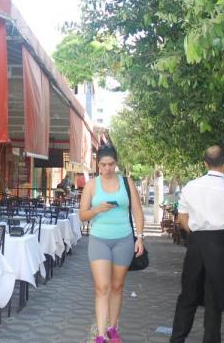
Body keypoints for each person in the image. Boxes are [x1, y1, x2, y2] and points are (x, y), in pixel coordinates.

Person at [171, 145, 224, 343]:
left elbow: (182, 219)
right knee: (214, 300)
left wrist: (197, 235)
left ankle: (177, 339)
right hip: (220, 244)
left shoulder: (190, 186)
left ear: (205, 163)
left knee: (187, 295)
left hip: (196, 243)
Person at [79, 145, 145, 343]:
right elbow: (82, 216)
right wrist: (97, 209)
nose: (107, 169)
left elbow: (138, 211)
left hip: (123, 239)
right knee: (102, 287)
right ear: (97, 165)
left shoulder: (127, 182)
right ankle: (100, 334)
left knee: (117, 286)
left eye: (111, 164)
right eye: (103, 165)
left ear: (116, 163)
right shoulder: (91, 185)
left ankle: (112, 328)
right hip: (99, 239)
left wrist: (140, 237)